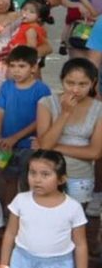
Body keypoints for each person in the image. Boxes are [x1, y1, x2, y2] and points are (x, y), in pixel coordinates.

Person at [36, 58, 102, 207]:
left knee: (75, 222)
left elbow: (95, 152)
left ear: (93, 83)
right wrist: (65, 113)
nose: (75, 90)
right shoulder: (46, 103)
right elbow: (45, 143)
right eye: (70, 83)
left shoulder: (99, 109)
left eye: (83, 84)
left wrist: (55, 147)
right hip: (47, 173)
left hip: (80, 176)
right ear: (61, 80)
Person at [0, 46, 52, 204]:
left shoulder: (42, 89)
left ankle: (26, 217)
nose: (16, 71)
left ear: (33, 68)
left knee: (28, 182)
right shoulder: (6, 86)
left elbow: (41, 119)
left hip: (28, 145)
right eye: (12, 66)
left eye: (22, 66)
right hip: (6, 145)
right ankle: (9, 215)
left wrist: (16, 137)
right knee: (9, 180)